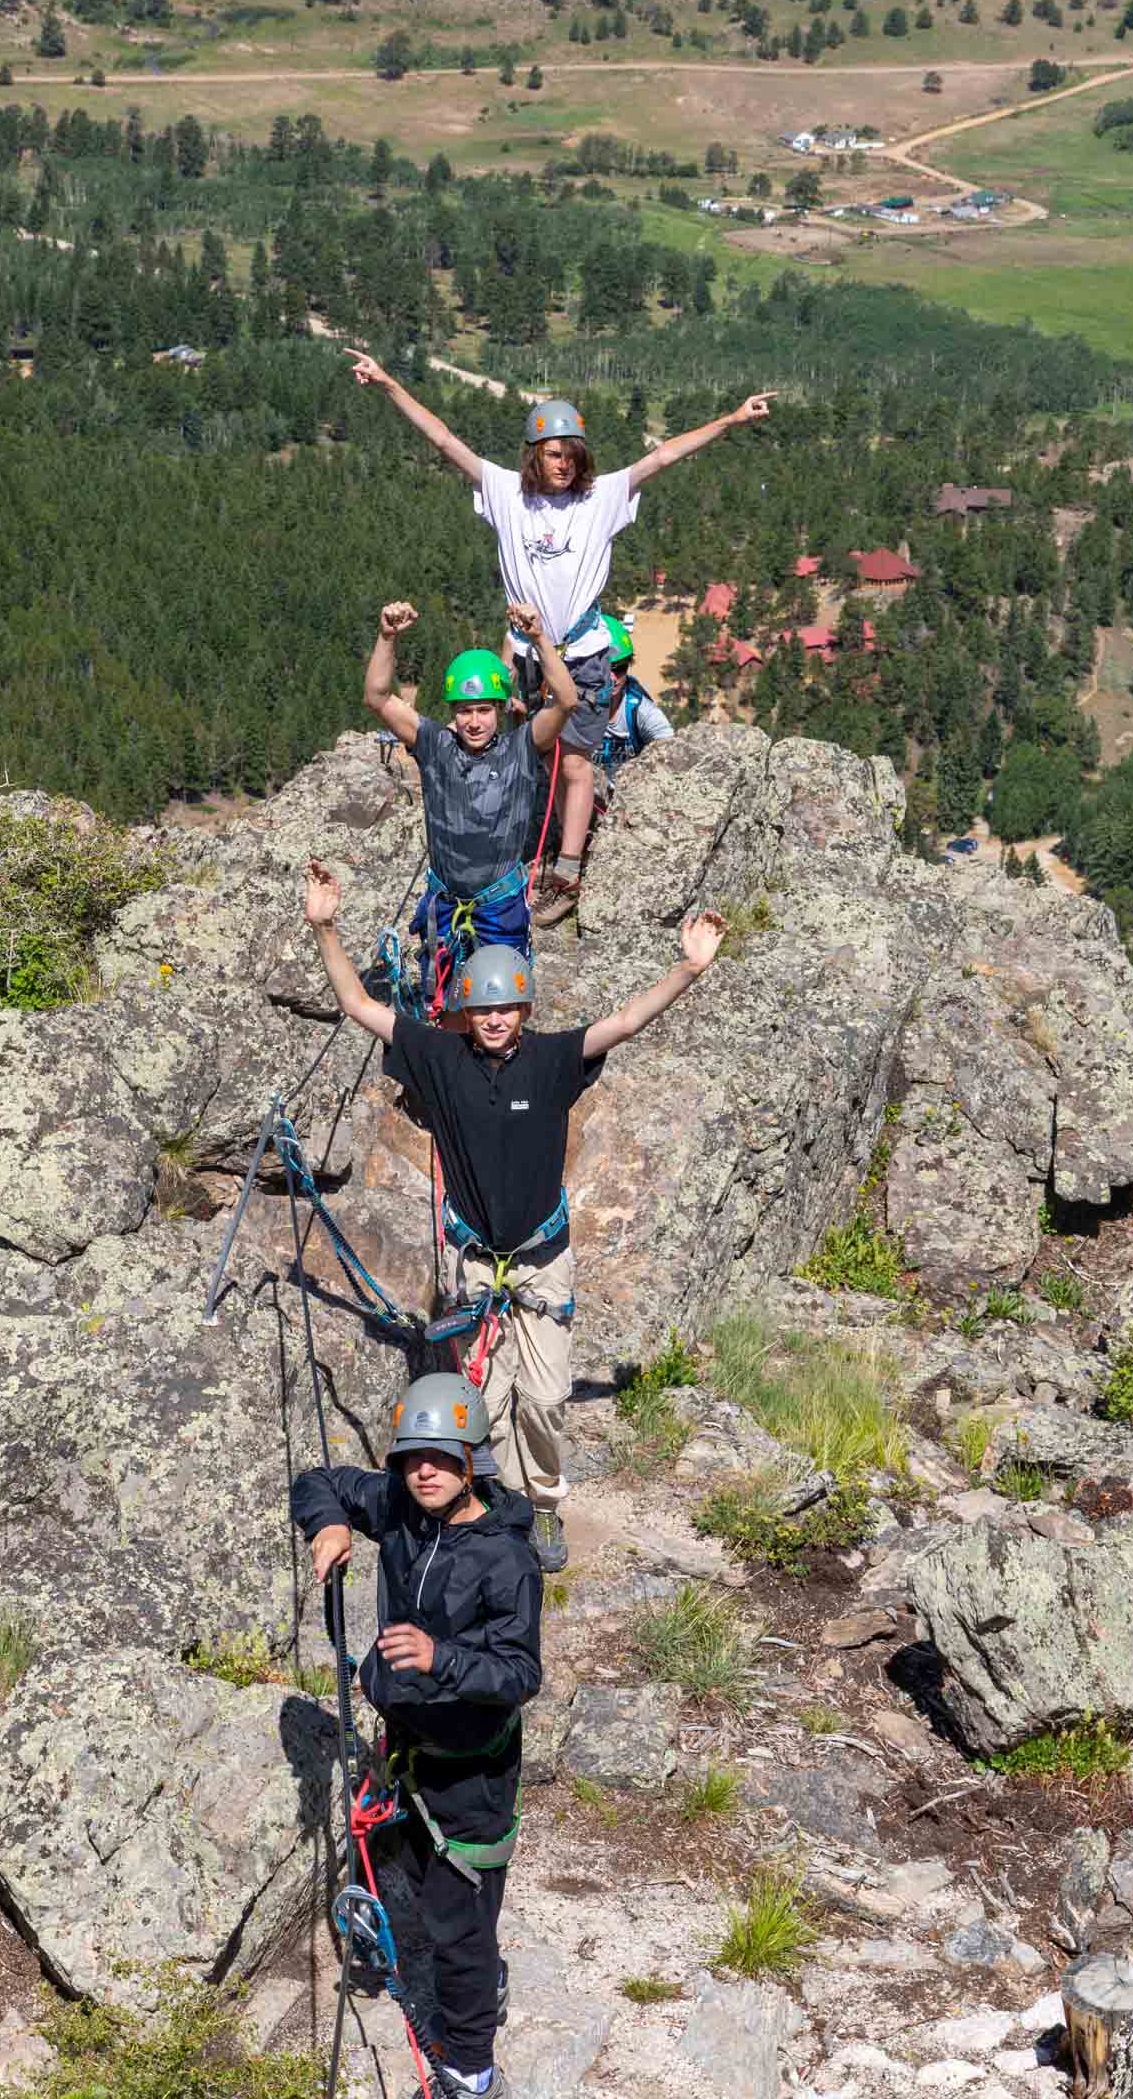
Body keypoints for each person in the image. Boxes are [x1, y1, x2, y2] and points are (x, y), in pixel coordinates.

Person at [304, 857, 726, 1570]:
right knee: (484, 1401)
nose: (496, 1019)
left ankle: (544, 1504)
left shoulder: (553, 1061)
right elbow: (359, 1006)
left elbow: (623, 1023)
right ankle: (504, 1511)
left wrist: (687, 971)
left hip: (540, 1259)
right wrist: (325, 929)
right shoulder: (438, 1057)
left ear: (525, 1010)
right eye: (484, 1009)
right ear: (465, 1011)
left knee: (545, 1397)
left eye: (507, 1008)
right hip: (472, 1263)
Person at [348, 349, 770, 926]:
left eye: (572, 454)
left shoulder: (602, 497)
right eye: (553, 454)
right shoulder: (505, 493)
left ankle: (566, 870)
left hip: (583, 651)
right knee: (527, 758)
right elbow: (445, 440)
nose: (564, 464)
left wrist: (732, 419)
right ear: (534, 456)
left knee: (574, 764)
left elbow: (666, 455)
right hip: (525, 657)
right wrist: (390, 384)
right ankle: (531, 851)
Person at [291, 1373, 538, 2099]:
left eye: (439, 1455)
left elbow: (520, 1673)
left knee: (459, 1926)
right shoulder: (400, 1507)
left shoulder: (505, 1559)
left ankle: (469, 2066)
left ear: (472, 1460)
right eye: (409, 1456)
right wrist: (329, 1525)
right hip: (406, 1746)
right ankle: (458, 1970)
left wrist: (442, 1658)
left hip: (472, 1771)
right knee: (422, 1883)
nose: (421, 1470)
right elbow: (318, 1479)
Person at [363, 598, 575, 996]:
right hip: (445, 905)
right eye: (464, 711)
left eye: (482, 710)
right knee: (442, 1006)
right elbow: (377, 697)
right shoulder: (434, 744)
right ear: (453, 712)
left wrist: (539, 638)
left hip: (500, 907)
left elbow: (566, 701)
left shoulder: (522, 748)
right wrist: (387, 637)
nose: (474, 722)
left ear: (499, 709)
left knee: (502, 1008)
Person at [596, 612, 674, 783]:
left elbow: (671, 749)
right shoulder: (571, 705)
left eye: (620, 668)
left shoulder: (640, 709)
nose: (612, 678)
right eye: (604, 668)